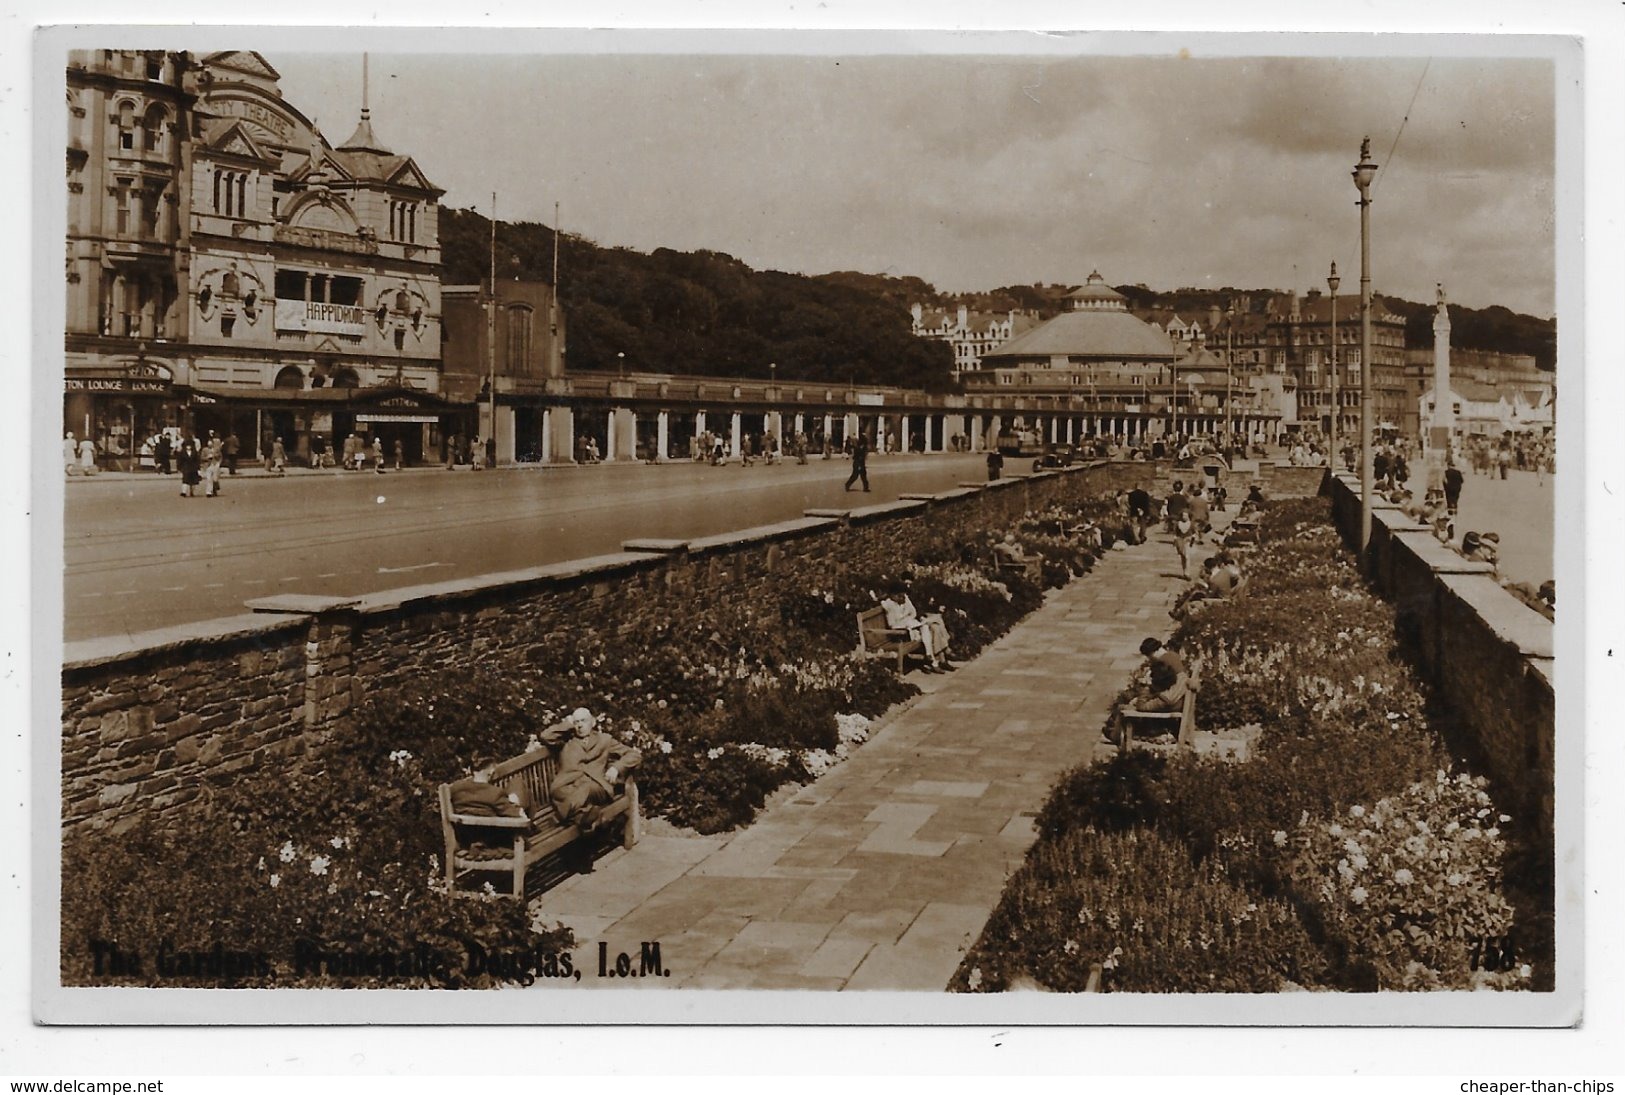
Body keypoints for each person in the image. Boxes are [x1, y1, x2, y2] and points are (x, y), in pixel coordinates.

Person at [541, 708, 642, 851]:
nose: (580, 725)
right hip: (567, 786)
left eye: (583, 721)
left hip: (595, 787)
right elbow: (546, 736)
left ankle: (561, 816)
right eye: (577, 722)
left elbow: (634, 755)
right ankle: (580, 816)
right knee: (558, 790)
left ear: (593, 722)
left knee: (587, 788)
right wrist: (567, 724)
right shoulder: (566, 741)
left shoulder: (604, 740)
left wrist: (616, 767)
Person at [880, 586, 951, 671]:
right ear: (893, 596)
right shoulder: (889, 605)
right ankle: (935, 661)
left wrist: (907, 619)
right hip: (899, 633)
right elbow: (892, 625)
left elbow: (913, 613)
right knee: (930, 629)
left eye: (904, 595)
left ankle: (930, 657)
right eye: (900, 596)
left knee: (926, 627)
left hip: (909, 627)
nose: (903, 598)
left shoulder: (904, 599)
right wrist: (906, 620)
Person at [1132, 637, 1188, 713]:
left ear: (1152, 652)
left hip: (1170, 697)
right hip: (1178, 695)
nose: (1149, 659)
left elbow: (1161, 685)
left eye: (1149, 656)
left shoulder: (1162, 662)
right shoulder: (1172, 654)